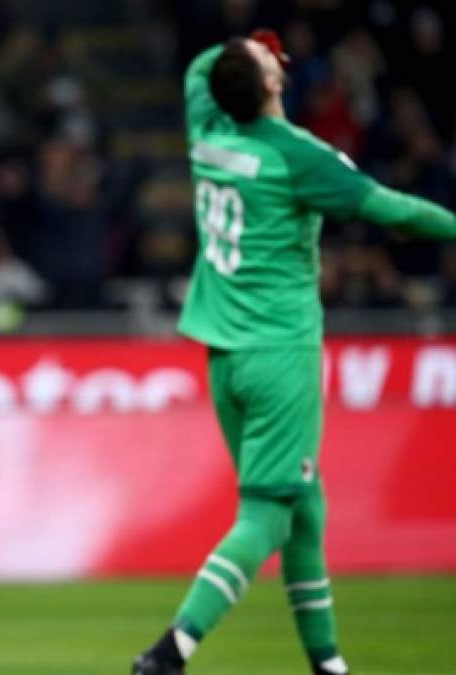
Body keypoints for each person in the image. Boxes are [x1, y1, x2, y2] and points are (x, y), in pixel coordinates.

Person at [132, 30, 456, 675]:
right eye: (258, 58)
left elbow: (203, 67)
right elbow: (396, 211)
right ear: (274, 84)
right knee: (266, 515)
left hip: (225, 354)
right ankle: (170, 651)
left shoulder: (208, 127)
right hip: (281, 354)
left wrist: (238, 53)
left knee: (305, 508)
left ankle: (328, 664)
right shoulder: (301, 157)